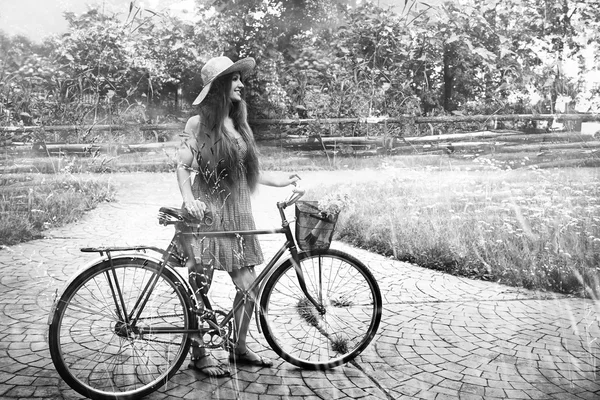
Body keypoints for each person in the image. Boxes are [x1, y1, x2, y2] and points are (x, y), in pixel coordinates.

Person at [176, 56, 299, 377]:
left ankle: (238, 347)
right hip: (209, 215)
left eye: (239, 79)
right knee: (199, 286)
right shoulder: (198, 124)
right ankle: (199, 354)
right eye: (234, 80)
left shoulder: (237, 123)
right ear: (218, 87)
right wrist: (189, 201)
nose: (241, 84)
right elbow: (183, 167)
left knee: (250, 286)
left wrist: (281, 179)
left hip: (239, 216)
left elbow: (246, 173)